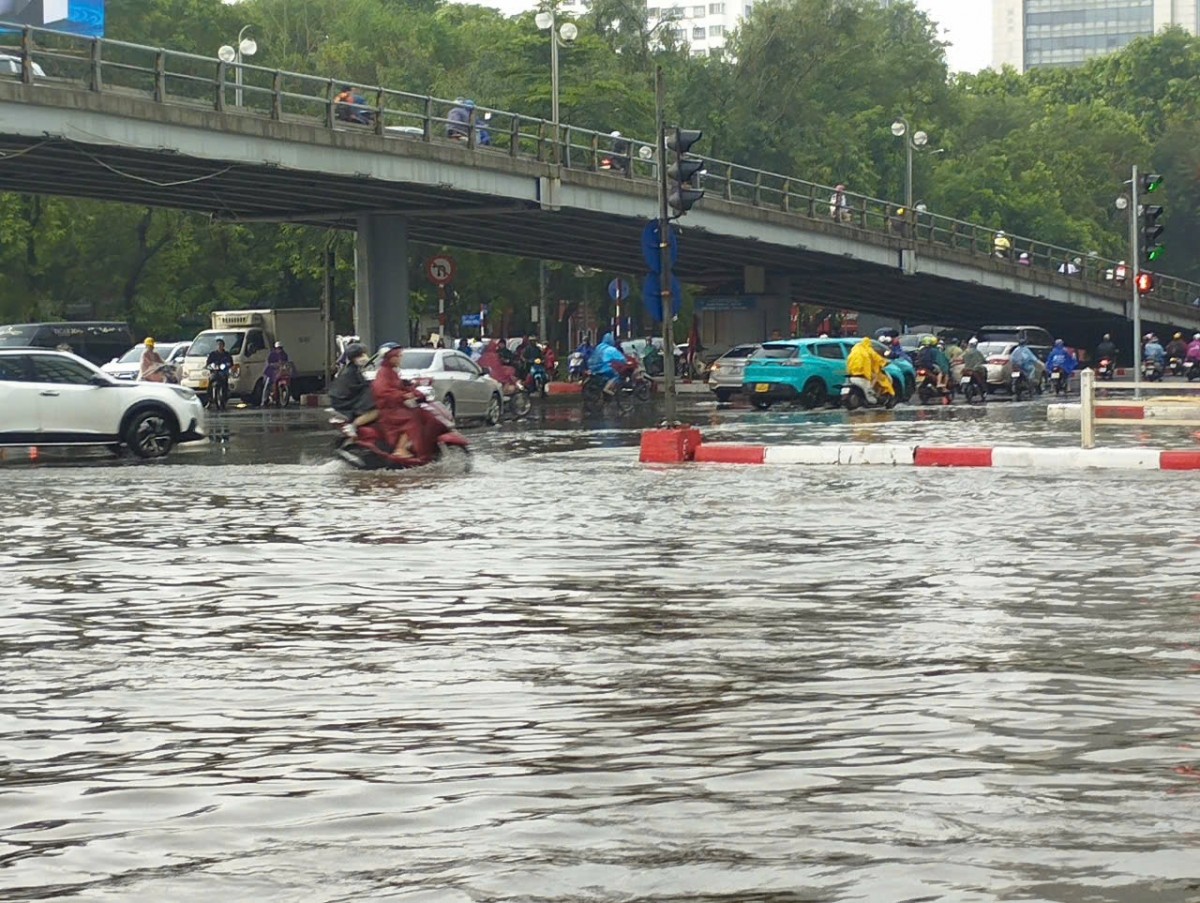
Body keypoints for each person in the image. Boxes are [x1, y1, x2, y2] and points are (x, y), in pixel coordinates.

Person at [328, 343, 379, 436]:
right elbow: (360, 387)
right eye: (361, 355)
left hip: (347, 399)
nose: (365, 357)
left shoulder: (354, 369)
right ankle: (353, 426)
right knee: (377, 410)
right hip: (346, 402)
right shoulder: (350, 371)